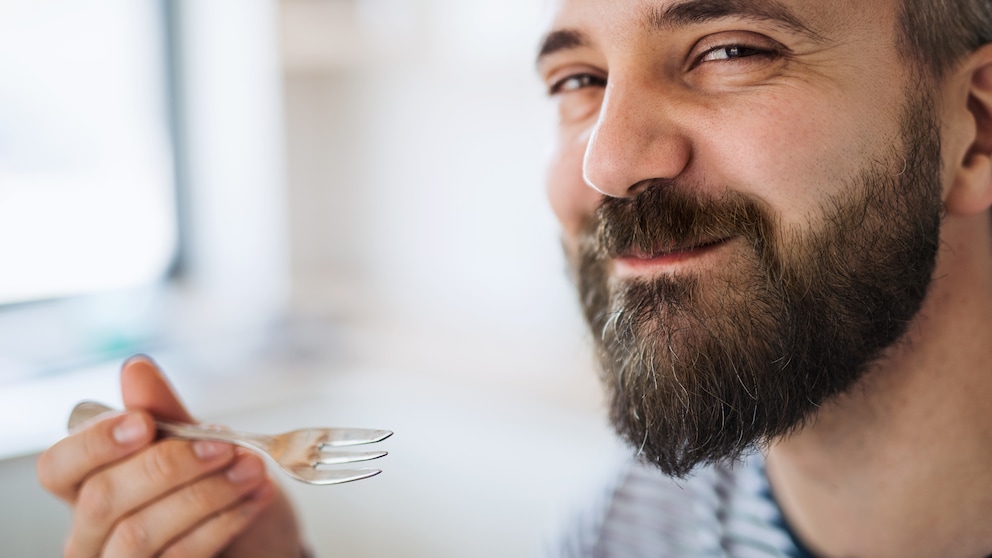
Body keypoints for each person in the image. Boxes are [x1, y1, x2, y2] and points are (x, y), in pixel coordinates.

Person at [36, 0, 992, 556]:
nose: (606, 163)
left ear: (976, 131)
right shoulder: (638, 520)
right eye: (578, 81)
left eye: (731, 51)